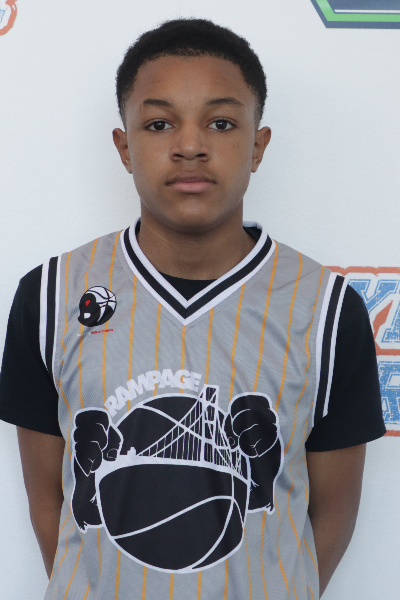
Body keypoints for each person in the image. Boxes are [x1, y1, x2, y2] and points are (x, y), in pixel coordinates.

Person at [0, 18, 385, 600]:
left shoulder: (326, 309)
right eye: (159, 124)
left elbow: (332, 513)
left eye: (221, 123)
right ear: (124, 148)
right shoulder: (52, 296)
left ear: (258, 146)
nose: (189, 145)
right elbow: (49, 501)